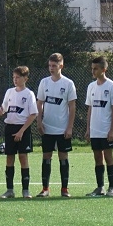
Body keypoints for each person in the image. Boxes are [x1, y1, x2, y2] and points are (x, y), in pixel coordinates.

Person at [35, 53, 77, 198]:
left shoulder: (68, 84)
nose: (51, 68)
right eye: (50, 66)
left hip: (62, 128)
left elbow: (72, 106)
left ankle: (64, 189)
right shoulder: (44, 82)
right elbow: (39, 103)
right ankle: (45, 188)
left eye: (54, 66)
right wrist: (39, 121)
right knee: (46, 156)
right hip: (47, 127)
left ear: (61, 66)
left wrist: (70, 127)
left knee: (63, 156)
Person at [0, 66, 38, 199]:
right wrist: (1, 110)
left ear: (25, 78)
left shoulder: (29, 94)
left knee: (23, 158)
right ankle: (9, 190)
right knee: (9, 158)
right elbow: (4, 107)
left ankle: (25, 190)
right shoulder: (9, 92)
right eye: (14, 77)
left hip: (23, 129)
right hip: (10, 127)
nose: (15, 80)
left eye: (18, 77)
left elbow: (33, 114)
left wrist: (21, 131)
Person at [84, 56, 113, 197]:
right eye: (92, 68)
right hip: (95, 130)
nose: (93, 71)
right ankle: (100, 187)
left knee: (108, 157)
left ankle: (112, 188)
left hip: (107, 130)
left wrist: (112, 130)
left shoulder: (111, 86)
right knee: (97, 158)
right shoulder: (91, 87)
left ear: (104, 69)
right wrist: (88, 129)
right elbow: (90, 109)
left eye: (96, 68)